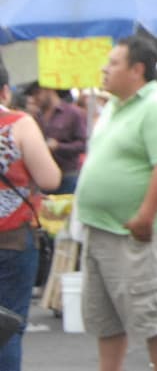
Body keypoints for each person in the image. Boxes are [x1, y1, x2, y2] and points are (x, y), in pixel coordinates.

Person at [75, 36, 157, 371]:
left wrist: (144, 217)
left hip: (138, 232)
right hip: (102, 228)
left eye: (113, 63)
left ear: (137, 70)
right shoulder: (113, 105)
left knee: (154, 316)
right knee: (106, 319)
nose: (104, 69)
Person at [0, 60, 61, 371]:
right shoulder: (18, 123)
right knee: (7, 326)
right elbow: (50, 178)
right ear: (6, 91)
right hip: (11, 241)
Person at [25, 83, 86, 194]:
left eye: (37, 93)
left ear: (50, 90)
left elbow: (84, 145)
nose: (35, 99)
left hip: (68, 176)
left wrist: (59, 146)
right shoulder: (36, 117)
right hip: (44, 178)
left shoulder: (73, 113)